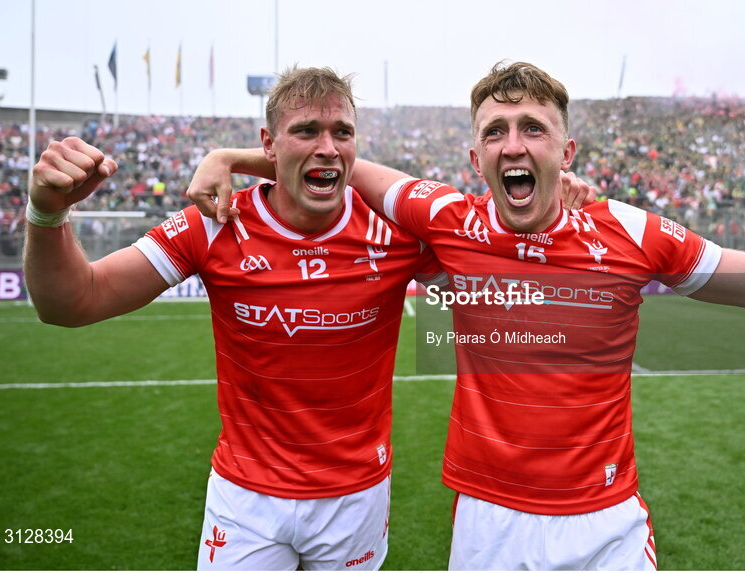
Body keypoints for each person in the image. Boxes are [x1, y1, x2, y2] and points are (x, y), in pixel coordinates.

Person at [188, 61, 745, 571]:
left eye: (533, 127)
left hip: (606, 525)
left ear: (567, 151)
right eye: (496, 130)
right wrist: (229, 156)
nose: (514, 144)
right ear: (476, 156)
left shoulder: (631, 231)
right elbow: (325, 159)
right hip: (489, 524)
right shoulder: (445, 217)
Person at [23, 66, 437, 570]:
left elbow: (505, 288)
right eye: (306, 130)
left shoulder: (395, 232)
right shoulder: (215, 224)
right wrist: (46, 213)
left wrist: (560, 212)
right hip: (245, 500)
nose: (328, 147)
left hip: (355, 497)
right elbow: (72, 302)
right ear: (269, 143)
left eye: (342, 132)